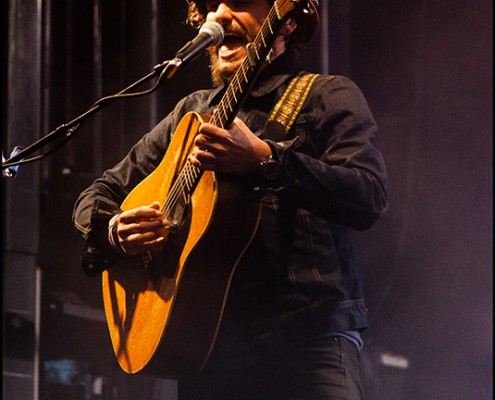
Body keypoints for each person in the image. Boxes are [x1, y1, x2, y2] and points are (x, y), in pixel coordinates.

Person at [72, 0, 388, 399]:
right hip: (208, 350)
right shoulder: (191, 112)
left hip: (307, 343)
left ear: (285, 23)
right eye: (209, 6)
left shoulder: (326, 94)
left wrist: (265, 160)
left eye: (238, 2)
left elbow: (369, 196)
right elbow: (98, 194)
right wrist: (115, 231)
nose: (218, 15)